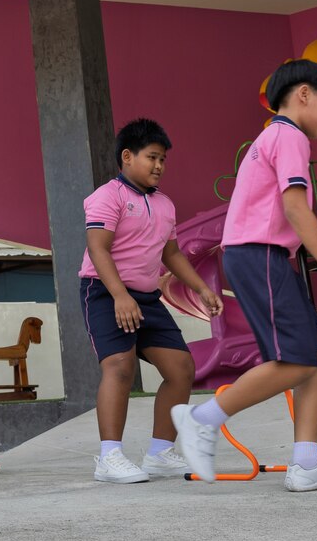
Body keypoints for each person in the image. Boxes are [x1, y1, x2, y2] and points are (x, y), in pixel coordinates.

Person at [174, 60, 317, 491]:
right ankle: (199, 419)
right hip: (260, 255)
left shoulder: (273, 137)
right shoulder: (290, 137)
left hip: (263, 257)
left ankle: (306, 462)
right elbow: (296, 209)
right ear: (304, 94)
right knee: (296, 360)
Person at [80, 118, 222, 484]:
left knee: (181, 369)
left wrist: (202, 289)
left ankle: (159, 453)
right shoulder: (107, 196)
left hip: (146, 297)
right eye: (152, 157)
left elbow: (171, 255)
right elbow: (98, 248)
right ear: (127, 157)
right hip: (105, 291)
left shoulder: (165, 204)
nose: (159, 166)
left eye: (163, 160)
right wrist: (119, 296)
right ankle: (109, 457)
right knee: (120, 368)